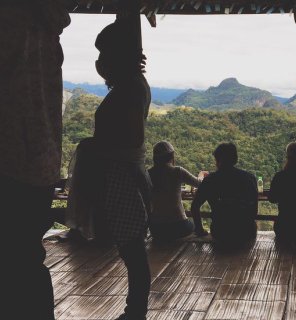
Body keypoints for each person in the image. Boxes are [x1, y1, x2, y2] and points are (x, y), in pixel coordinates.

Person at [66, 20, 152, 320]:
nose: (99, 63)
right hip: (125, 178)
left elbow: (131, 140)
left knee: (133, 253)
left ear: (117, 56)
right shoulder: (132, 86)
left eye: (104, 55)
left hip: (122, 181)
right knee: (133, 253)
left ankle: (135, 313)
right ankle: (135, 311)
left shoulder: (128, 89)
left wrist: (92, 147)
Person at [0, 2, 70, 318]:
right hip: (39, 163)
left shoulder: (11, 20)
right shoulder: (45, 24)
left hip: (9, 160)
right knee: (25, 264)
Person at [191, 143, 258, 249]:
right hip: (246, 233)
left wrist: (200, 230)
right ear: (235, 159)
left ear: (217, 160)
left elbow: (195, 206)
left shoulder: (210, 180)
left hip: (220, 232)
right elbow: (254, 210)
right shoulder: (249, 178)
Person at [148, 141, 201, 242]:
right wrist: (202, 175)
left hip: (156, 229)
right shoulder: (177, 171)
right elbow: (199, 183)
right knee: (192, 226)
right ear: (171, 156)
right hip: (179, 227)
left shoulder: (148, 174)